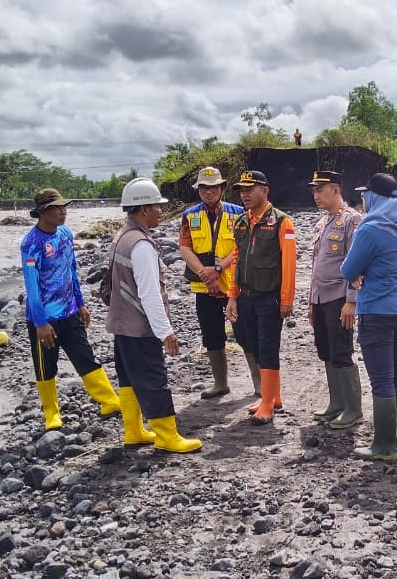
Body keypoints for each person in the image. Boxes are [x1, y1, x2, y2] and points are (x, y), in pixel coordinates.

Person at [105, 178, 201, 453]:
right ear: (144, 208)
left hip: (121, 323)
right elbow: (149, 293)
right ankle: (166, 434)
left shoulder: (123, 236)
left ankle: (134, 431)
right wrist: (165, 331)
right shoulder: (141, 245)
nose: (161, 211)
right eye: (158, 207)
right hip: (139, 326)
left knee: (128, 377)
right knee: (153, 379)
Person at [21, 188, 122, 433]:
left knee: (85, 356)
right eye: (57, 208)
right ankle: (52, 414)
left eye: (64, 207)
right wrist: (40, 323)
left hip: (69, 312)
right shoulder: (31, 243)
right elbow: (32, 287)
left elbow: (72, 271)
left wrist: (80, 303)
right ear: (43, 212)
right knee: (46, 366)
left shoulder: (65, 234)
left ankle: (109, 401)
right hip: (44, 318)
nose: (63, 212)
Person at [340, 173, 397, 460]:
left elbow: (348, 270)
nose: (362, 200)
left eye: (366, 195)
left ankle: (383, 445)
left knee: (382, 379)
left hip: (379, 309)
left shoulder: (370, 228)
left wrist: (360, 273)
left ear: (374, 198)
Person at [226, 170, 297, 424]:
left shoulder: (281, 221)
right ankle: (273, 396)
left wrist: (287, 300)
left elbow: (289, 264)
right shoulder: (241, 222)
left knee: (268, 348)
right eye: (242, 191)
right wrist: (232, 296)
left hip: (270, 297)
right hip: (246, 295)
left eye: (250, 189)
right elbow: (236, 260)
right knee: (251, 344)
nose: (245, 195)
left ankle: (267, 403)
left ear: (265, 190)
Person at [178, 167, 245, 400]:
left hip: (233, 286)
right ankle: (220, 384)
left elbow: (241, 246)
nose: (209, 191)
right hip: (203, 287)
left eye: (214, 187)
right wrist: (204, 273)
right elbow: (185, 246)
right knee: (211, 335)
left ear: (222, 188)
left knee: (245, 333)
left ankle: (258, 385)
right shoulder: (189, 215)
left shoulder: (238, 213)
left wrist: (218, 269)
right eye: (204, 187)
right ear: (198, 190)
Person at [307, 170, 363, 429]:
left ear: (336, 189)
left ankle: (353, 409)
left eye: (321, 189)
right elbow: (316, 264)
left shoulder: (352, 221)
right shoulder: (322, 222)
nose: (316, 195)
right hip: (321, 298)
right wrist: (311, 301)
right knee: (326, 350)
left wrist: (351, 301)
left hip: (339, 297)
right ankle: (336, 403)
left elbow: (356, 264)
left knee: (342, 352)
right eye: (314, 190)